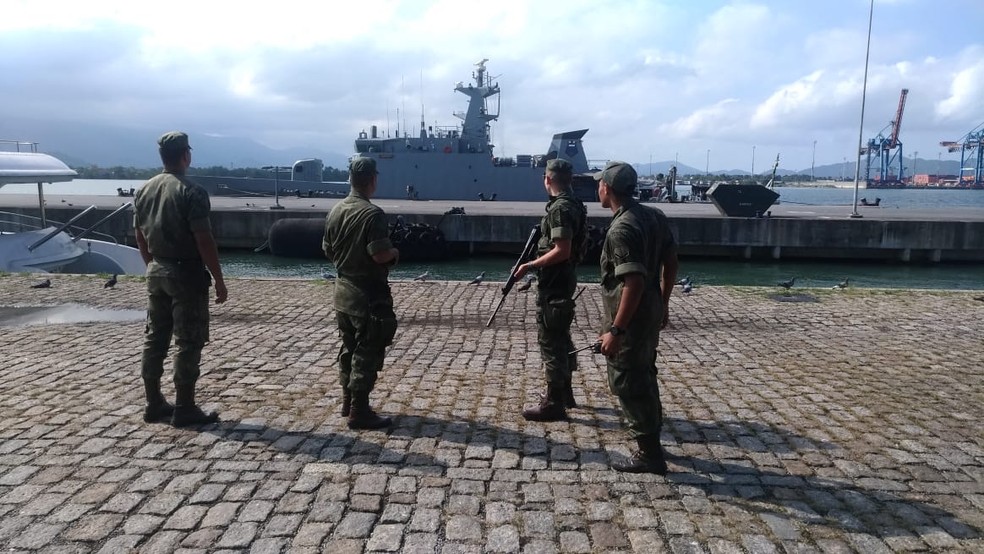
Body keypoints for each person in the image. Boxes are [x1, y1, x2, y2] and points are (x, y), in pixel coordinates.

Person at [134, 131, 228, 427]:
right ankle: (185, 406)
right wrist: (219, 279)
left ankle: (153, 402)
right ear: (186, 155)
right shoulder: (192, 191)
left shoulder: (144, 190)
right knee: (188, 340)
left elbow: (139, 236)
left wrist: (152, 265)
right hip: (186, 274)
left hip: (157, 271)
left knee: (155, 339)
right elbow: (204, 239)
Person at [594, 160, 678, 474]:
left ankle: (649, 454)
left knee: (628, 380)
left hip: (631, 317)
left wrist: (616, 329)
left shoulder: (622, 228)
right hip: (649, 310)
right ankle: (652, 439)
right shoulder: (654, 216)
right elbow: (671, 262)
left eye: (599, 184)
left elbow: (635, 282)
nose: (597, 188)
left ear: (607, 188)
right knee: (645, 372)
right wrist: (664, 302)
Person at [323, 157, 399, 429]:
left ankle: (347, 400)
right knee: (367, 351)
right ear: (373, 180)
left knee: (349, 348)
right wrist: (395, 253)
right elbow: (379, 254)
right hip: (368, 294)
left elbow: (328, 250)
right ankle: (360, 409)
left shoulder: (335, 210)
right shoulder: (372, 214)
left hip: (342, 293)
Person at [513, 159, 587, 421]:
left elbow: (561, 250)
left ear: (547, 179)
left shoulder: (560, 209)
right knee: (560, 334)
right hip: (563, 279)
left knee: (551, 340)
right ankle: (565, 392)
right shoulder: (574, 204)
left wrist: (529, 265)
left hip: (554, 280)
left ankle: (554, 403)